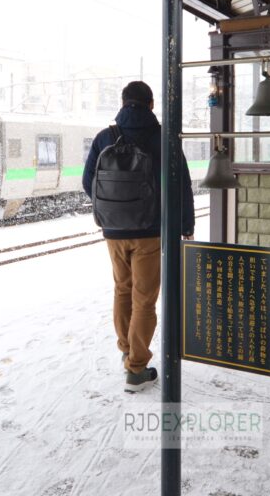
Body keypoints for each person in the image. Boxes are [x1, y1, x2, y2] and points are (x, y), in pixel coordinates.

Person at [82, 81, 195, 393]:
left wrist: (115, 208)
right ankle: (136, 369)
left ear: (122, 103)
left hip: (114, 232)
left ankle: (127, 350)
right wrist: (186, 223)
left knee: (122, 290)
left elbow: (89, 182)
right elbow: (182, 184)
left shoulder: (105, 137)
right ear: (151, 104)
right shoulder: (163, 138)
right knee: (144, 298)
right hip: (149, 231)